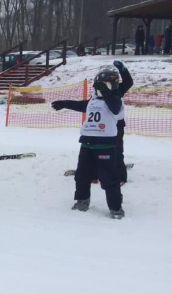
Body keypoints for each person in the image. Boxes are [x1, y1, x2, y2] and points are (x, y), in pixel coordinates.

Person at [51, 61, 129, 219]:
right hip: (87, 144)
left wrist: (106, 92)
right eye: (101, 85)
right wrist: (63, 103)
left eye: (106, 85)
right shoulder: (93, 102)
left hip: (105, 145)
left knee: (109, 179)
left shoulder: (116, 101)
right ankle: (82, 201)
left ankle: (115, 208)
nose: (103, 88)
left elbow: (115, 109)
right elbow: (80, 105)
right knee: (82, 176)